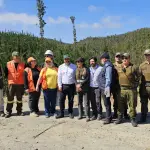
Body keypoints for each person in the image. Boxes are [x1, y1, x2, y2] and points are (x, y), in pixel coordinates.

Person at [115, 53, 139, 127]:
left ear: (129, 58)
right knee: (120, 104)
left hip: (131, 89)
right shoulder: (118, 67)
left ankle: (132, 118)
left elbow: (138, 77)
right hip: (121, 89)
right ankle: (119, 117)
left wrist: (135, 85)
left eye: (126, 58)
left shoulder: (134, 67)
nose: (124, 59)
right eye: (123, 58)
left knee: (132, 104)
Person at [5, 51, 25, 118]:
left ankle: (19, 111)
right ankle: (8, 111)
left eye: (18, 56)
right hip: (11, 83)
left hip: (20, 84)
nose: (17, 57)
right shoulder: (8, 64)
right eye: (15, 56)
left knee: (19, 98)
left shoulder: (23, 64)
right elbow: (5, 74)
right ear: (12, 57)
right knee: (10, 98)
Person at [95, 52, 113, 124]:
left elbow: (108, 78)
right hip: (103, 87)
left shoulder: (108, 66)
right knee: (106, 103)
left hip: (105, 88)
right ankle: (108, 117)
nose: (101, 61)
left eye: (101, 59)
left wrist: (106, 87)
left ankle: (108, 118)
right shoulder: (106, 65)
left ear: (104, 59)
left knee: (107, 103)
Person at [56, 55, 76, 119]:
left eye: (67, 59)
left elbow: (75, 77)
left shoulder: (74, 66)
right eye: (65, 59)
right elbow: (59, 77)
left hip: (71, 85)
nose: (66, 60)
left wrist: (77, 85)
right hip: (63, 85)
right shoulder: (60, 67)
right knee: (61, 100)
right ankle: (62, 113)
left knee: (71, 100)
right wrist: (59, 85)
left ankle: (70, 112)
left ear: (69, 59)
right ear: (63, 60)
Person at [112, 52, 129, 119]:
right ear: (115, 57)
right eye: (117, 56)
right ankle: (115, 113)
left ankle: (125, 113)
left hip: (122, 84)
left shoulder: (123, 65)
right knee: (115, 100)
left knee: (124, 99)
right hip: (115, 85)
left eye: (119, 56)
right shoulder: (112, 65)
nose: (118, 58)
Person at [75, 57, 90, 122]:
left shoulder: (86, 69)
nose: (78, 63)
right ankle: (80, 114)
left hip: (85, 88)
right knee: (79, 102)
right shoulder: (76, 69)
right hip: (78, 88)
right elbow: (74, 78)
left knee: (86, 102)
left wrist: (80, 85)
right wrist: (77, 85)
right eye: (77, 62)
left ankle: (87, 115)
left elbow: (87, 78)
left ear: (82, 62)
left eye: (79, 62)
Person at [139, 49, 150, 122]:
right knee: (143, 102)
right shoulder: (142, 65)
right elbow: (138, 76)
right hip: (144, 86)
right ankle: (143, 116)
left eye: (148, 55)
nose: (147, 56)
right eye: (146, 55)